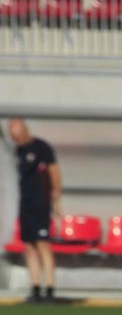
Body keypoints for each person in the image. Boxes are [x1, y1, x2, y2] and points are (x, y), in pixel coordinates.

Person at [9, 118, 62, 303]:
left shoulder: (42, 148)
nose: (17, 140)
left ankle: (50, 288)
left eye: (18, 135)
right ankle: (35, 287)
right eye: (13, 137)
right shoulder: (18, 151)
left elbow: (54, 172)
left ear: (25, 131)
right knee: (29, 246)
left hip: (41, 203)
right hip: (25, 204)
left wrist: (56, 198)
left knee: (42, 244)